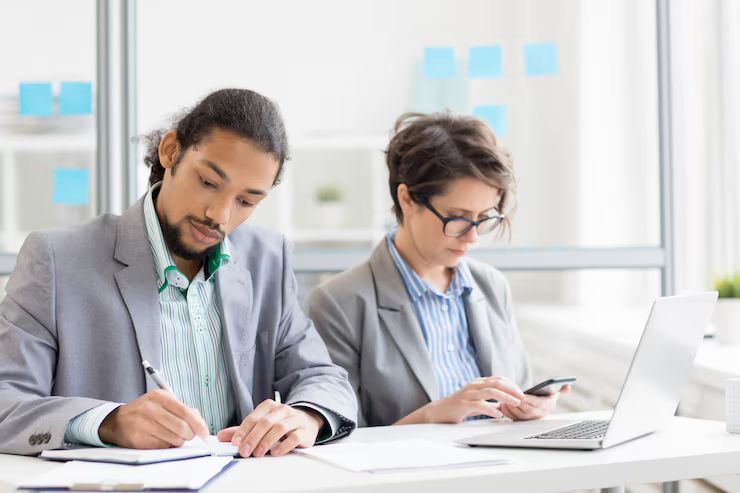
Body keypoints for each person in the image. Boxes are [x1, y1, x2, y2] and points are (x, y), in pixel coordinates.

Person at [0, 88, 356, 456]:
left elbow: (324, 378)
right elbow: (5, 402)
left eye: (246, 201)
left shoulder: (268, 259)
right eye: (208, 183)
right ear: (171, 151)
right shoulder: (58, 259)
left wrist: (307, 416)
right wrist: (109, 422)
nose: (219, 215)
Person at [306, 112, 569, 427]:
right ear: (407, 199)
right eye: (457, 217)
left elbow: (517, 391)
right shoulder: (339, 303)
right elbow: (343, 441)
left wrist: (531, 407)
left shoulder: (491, 285)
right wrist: (433, 415)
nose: (472, 236)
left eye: (484, 218)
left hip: (501, 469)